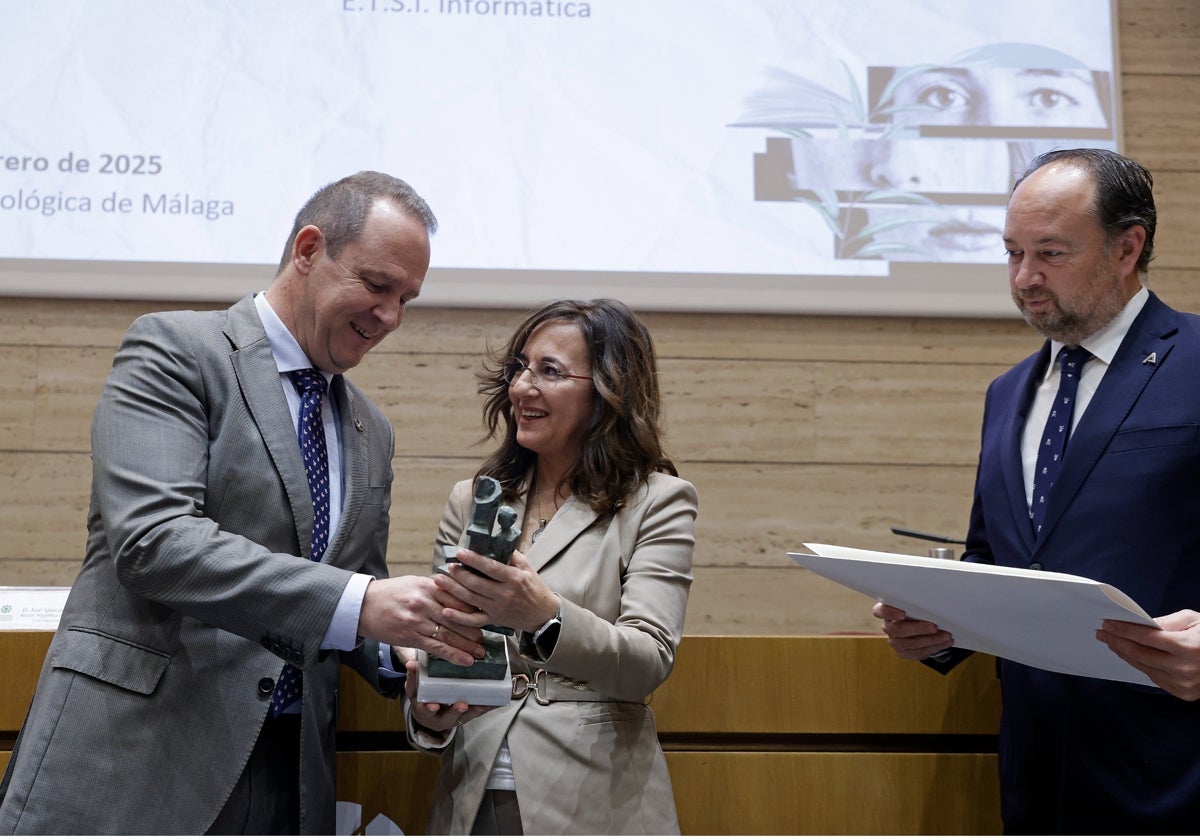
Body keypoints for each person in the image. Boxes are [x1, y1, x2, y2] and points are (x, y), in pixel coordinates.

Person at [0, 171, 485, 835]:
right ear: (309, 250)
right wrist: (366, 604)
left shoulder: (373, 431)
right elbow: (156, 544)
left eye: (407, 298)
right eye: (378, 286)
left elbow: (354, 588)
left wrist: (411, 665)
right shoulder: (175, 351)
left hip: (287, 779)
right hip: (138, 760)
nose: (392, 317)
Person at [872, 148, 1200, 832]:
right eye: (1012, 253)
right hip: (1037, 777)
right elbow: (1000, 559)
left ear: (1128, 247)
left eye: (1049, 253)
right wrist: (936, 628)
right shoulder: (1008, 393)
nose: (1025, 278)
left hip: (1175, 766)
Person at [403, 298, 698, 834]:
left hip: (597, 799)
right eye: (520, 367)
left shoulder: (658, 501)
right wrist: (428, 711)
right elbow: (441, 647)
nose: (521, 387)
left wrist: (546, 616)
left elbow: (648, 661)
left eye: (550, 371)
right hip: (472, 794)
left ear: (608, 393)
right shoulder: (472, 500)